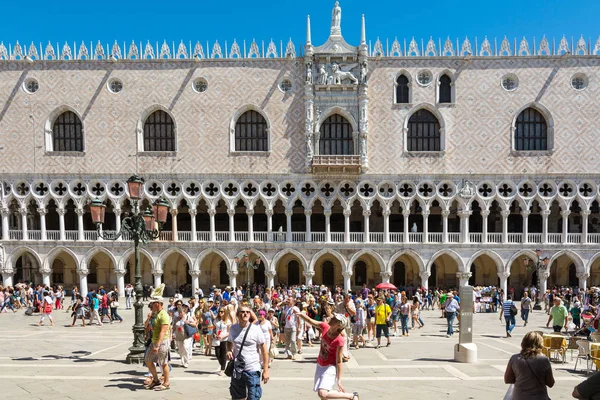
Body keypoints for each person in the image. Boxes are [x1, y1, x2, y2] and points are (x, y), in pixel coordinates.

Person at [295, 310, 358, 400]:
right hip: (320, 364)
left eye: (335, 319)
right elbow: (310, 321)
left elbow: (339, 361)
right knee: (323, 395)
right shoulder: (325, 326)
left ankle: (352, 396)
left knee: (322, 393)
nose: (331, 318)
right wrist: (301, 315)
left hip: (330, 367)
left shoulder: (339, 340)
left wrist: (339, 380)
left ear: (339, 325)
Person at [227, 305, 269, 400]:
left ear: (250, 315)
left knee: (254, 398)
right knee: (237, 397)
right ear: (238, 314)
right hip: (238, 369)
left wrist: (265, 370)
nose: (245, 314)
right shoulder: (233, 328)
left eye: (247, 312)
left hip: (253, 369)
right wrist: (229, 350)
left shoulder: (256, 329)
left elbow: (264, 350)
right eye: (242, 312)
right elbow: (229, 342)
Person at [504, 331, 554, 399]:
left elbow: (507, 380)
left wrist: (521, 379)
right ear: (540, 344)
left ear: (523, 343)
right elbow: (551, 383)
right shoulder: (544, 360)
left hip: (519, 396)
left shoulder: (515, 359)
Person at [144, 285, 171, 391]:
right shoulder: (155, 314)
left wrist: (157, 345)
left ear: (158, 304)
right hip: (154, 341)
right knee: (148, 360)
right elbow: (146, 325)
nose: (151, 305)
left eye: (153, 303)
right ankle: (155, 379)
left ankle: (166, 383)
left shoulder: (164, 315)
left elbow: (163, 331)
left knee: (164, 363)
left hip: (162, 342)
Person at [174, 302, 196, 368]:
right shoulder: (176, 319)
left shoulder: (187, 317)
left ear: (184, 312)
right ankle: (183, 361)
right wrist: (172, 334)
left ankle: (186, 362)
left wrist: (189, 322)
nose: (180, 314)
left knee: (186, 347)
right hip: (179, 336)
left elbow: (195, 324)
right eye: (179, 313)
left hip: (187, 336)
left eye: (182, 312)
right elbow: (173, 327)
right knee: (180, 350)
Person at [214, 307, 232, 375]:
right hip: (217, 339)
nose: (220, 313)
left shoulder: (227, 321)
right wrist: (215, 335)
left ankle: (222, 368)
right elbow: (214, 329)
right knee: (217, 354)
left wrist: (223, 336)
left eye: (222, 312)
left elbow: (229, 331)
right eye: (219, 311)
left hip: (224, 339)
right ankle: (223, 364)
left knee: (223, 354)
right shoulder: (216, 320)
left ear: (225, 313)